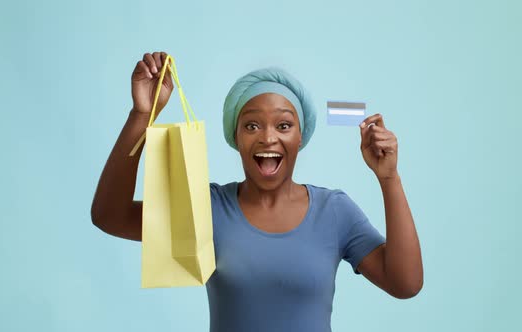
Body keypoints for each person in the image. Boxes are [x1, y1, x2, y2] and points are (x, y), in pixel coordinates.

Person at [91, 51, 423, 332]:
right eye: (251, 125)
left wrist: (389, 177)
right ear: (234, 137)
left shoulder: (334, 211)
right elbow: (110, 215)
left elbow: (405, 283)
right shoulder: (208, 209)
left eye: (283, 125)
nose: (267, 137)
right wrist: (141, 115)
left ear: (300, 137)